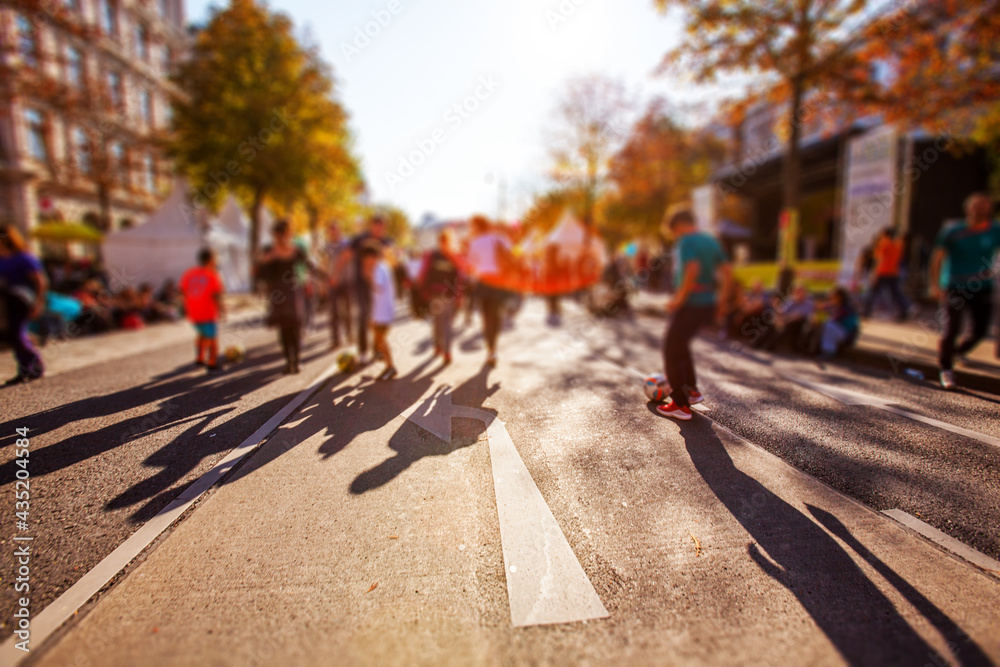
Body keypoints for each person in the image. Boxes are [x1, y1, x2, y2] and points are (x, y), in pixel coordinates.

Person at [657, 210, 731, 421]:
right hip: (707, 303)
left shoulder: (686, 241)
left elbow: (692, 268)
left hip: (691, 303)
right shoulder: (711, 241)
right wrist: (722, 302)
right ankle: (692, 391)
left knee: (671, 348)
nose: (674, 236)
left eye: (673, 232)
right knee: (681, 345)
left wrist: (680, 298)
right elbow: (728, 272)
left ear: (678, 225)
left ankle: (679, 404)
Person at [930, 192, 1000, 390]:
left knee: (981, 330)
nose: (981, 208)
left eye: (985, 205)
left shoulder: (995, 230)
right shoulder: (953, 230)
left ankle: (958, 351)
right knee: (952, 328)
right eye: (977, 205)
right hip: (955, 286)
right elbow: (937, 258)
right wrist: (936, 285)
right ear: (968, 208)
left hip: (983, 287)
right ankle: (946, 369)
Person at [256, 220, 314, 374]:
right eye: (277, 236)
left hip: (292, 290)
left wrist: (322, 280)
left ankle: (297, 360)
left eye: (282, 235)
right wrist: (265, 261)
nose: (279, 239)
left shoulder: (295, 250)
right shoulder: (269, 250)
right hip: (277, 291)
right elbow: (260, 273)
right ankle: (289, 361)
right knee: (283, 328)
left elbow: (309, 266)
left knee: (294, 326)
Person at [0, 225, 47, 385]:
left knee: (18, 333)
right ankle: (25, 367)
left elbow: (39, 281)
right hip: (6, 303)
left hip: (22, 301)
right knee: (13, 335)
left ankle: (35, 364)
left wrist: (38, 301)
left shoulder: (23, 257)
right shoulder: (2, 258)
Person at [466, 215, 513, 367]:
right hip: (498, 281)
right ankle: (494, 348)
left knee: (486, 317)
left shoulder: (475, 242)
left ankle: (490, 350)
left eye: (472, 226)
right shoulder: (499, 238)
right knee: (496, 315)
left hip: (483, 281)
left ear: (477, 227)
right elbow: (511, 254)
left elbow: (471, 266)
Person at [349, 215, 393, 364]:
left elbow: (392, 261)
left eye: (381, 227)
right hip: (362, 285)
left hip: (376, 289)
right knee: (363, 316)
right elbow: (346, 255)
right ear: (371, 226)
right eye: (376, 226)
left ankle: (380, 353)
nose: (378, 230)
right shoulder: (360, 240)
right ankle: (363, 351)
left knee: (377, 322)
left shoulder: (386, 244)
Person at [417, 229, 462, 365]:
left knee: (446, 324)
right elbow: (426, 274)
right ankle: (438, 346)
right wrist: (423, 289)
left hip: (447, 295)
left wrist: (458, 295)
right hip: (435, 295)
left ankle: (447, 351)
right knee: (438, 323)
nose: (444, 244)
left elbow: (458, 278)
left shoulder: (453, 258)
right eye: (443, 242)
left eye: (446, 242)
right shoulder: (433, 256)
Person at [179, 248, 225, 372]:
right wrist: (223, 311)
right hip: (207, 312)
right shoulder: (213, 274)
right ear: (211, 260)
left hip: (193, 312)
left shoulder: (189, 273)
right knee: (212, 337)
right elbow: (217, 295)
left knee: (201, 333)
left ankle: (199, 357)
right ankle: (212, 362)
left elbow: (183, 290)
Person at [362, 245, 397, 380]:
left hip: (382, 313)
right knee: (378, 340)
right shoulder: (383, 267)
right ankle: (386, 362)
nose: (365, 263)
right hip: (382, 311)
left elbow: (378, 287)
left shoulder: (378, 269)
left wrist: (368, 275)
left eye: (366, 259)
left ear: (372, 257)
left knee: (381, 340)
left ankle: (390, 367)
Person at [863, 227, 910, 321]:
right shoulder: (897, 245)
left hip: (882, 272)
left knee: (873, 292)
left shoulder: (883, 244)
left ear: (886, 235)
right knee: (895, 293)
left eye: (882, 234)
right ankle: (904, 311)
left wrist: (874, 274)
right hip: (893, 272)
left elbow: (879, 260)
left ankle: (866, 311)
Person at [325, 221, 354, 350]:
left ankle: (349, 333)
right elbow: (324, 263)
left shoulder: (346, 244)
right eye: (331, 231)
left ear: (339, 231)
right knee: (333, 311)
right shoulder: (326, 246)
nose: (334, 233)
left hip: (346, 281)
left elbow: (346, 258)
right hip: (332, 283)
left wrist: (336, 275)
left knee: (347, 310)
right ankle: (336, 340)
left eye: (335, 230)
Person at [817, 287, 859, 359]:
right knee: (824, 325)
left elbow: (834, 319)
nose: (831, 297)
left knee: (828, 324)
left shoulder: (846, 308)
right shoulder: (836, 305)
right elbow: (823, 307)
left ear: (839, 297)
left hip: (847, 334)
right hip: (838, 332)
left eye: (833, 296)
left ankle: (829, 351)